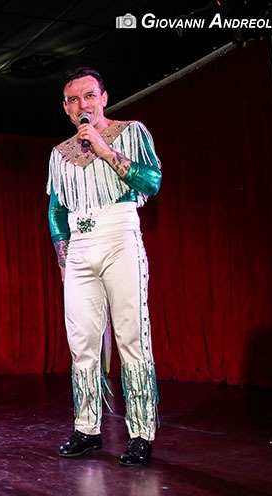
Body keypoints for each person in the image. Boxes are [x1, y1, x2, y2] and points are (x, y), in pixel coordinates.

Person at [46, 67, 162, 466]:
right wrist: (64, 259)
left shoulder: (132, 131)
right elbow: (55, 210)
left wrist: (104, 149)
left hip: (119, 234)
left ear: (104, 98)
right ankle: (87, 428)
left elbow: (152, 183)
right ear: (66, 107)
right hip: (80, 244)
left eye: (89, 96)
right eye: (74, 99)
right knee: (81, 343)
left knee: (131, 337)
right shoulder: (59, 154)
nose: (83, 104)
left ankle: (141, 432)